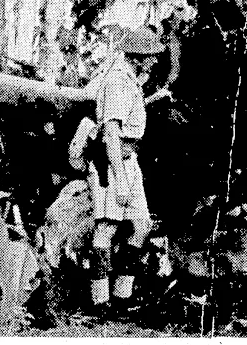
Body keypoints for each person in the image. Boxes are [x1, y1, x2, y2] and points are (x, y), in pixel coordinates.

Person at [87, 27, 164, 317]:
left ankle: (122, 295)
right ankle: (100, 301)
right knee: (106, 228)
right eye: (151, 57)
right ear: (138, 57)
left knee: (141, 225)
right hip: (112, 162)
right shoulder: (117, 82)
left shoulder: (130, 79)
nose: (155, 61)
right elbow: (111, 133)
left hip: (129, 160)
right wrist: (119, 180)